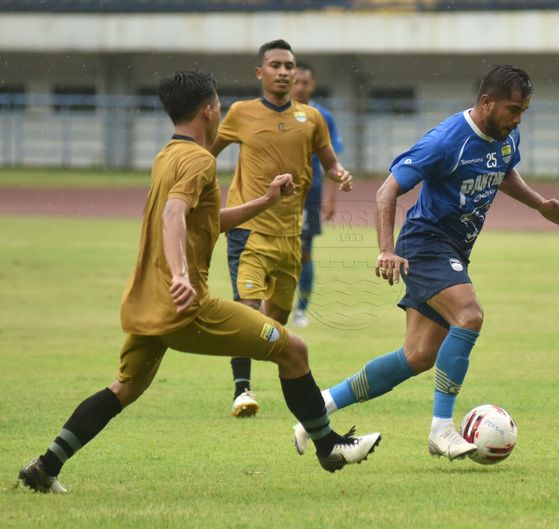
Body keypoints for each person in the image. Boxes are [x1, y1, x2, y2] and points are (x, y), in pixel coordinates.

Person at [17, 70, 380, 493]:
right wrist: (183, 276)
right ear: (209, 109)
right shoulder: (200, 160)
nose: (221, 109)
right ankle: (328, 446)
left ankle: (45, 466)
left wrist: (265, 201)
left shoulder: (166, 156)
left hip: (145, 301)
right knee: (293, 349)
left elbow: (203, 220)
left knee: (125, 387)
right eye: (219, 103)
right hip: (184, 306)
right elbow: (173, 213)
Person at [293, 65, 559, 460]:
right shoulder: (446, 141)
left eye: (523, 112)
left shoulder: (506, 135)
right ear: (486, 102)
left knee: (417, 355)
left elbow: (503, 169)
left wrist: (540, 205)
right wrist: (384, 249)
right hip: (425, 243)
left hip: (453, 249)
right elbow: (386, 190)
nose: (517, 119)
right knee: (470, 315)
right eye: (513, 109)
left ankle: (320, 405)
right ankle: (441, 430)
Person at [208, 40, 352, 418]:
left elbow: (329, 162)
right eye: (276, 65)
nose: (285, 72)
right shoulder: (241, 113)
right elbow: (208, 152)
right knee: (247, 311)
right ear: (261, 73)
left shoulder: (312, 118)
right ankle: (242, 390)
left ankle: (279, 376)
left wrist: (340, 174)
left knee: (276, 321)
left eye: (289, 65)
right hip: (249, 231)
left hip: (291, 233)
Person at [289, 62, 344, 328]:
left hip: (309, 195)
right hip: (276, 197)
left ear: (312, 85)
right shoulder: (271, 114)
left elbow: (332, 161)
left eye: (305, 82)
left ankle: (301, 309)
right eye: (295, 81)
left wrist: (329, 198)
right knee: (273, 251)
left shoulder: (323, 117)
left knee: (305, 253)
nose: (300, 87)